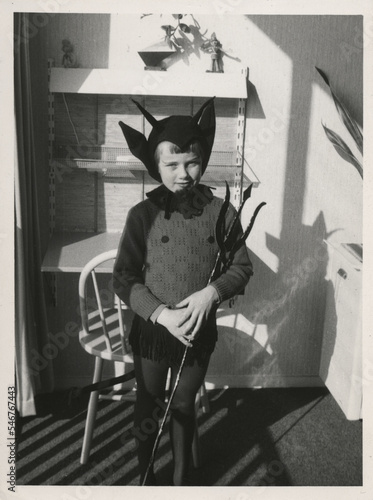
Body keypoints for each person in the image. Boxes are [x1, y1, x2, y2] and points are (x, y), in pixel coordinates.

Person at [113, 97, 253, 486]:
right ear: (155, 166)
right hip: (155, 332)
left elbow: (242, 266)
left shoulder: (222, 212)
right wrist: (161, 314)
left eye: (191, 162)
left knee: (184, 405)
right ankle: (145, 475)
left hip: (196, 330)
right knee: (149, 404)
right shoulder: (143, 216)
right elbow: (123, 277)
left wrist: (212, 293)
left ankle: (179, 481)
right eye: (171, 165)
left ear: (203, 158)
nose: (183, 173)